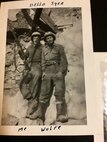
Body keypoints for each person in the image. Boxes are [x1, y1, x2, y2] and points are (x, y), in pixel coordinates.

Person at [29, 31, 68, 123]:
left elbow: (63, 61)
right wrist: (43, 71)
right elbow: (42, 61)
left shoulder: (59, 47)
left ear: (53, 38)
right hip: (47, 72)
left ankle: (60, 115)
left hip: (57, 71)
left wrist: (60, 72)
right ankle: (40, 114)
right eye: (47, 38)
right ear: (45, 40)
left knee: (59, 92)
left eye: (50, 37)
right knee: (43, 93)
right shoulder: (44, 49)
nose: (49, 39)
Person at [19, 32, 43, 118]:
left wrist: (42, 69)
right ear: (32, 39)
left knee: (35, 82)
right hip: (30, 66)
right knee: (22, 83)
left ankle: (34, 101)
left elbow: (45, 59)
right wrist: (20, 50)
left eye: (37, 38)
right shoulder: (29, 47)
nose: (35, 39)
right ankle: (29, 97)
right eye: (34, 38)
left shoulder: (42, 48)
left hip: (38, 66)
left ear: (39, 39)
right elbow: (24, 57)